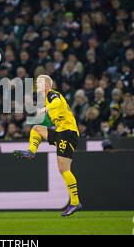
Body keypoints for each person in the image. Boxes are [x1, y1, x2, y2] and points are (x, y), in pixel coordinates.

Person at [13, 75, 82, 217]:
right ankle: (31, 151)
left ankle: (75, 202)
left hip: (68, 133)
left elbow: (56, 102)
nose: (37, 85)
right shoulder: (46, 97)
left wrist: (45, 108)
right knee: (36, 129)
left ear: (47, 84)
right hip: (61, 132)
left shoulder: (52, 94)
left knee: (64, 169)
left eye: (39, 82)